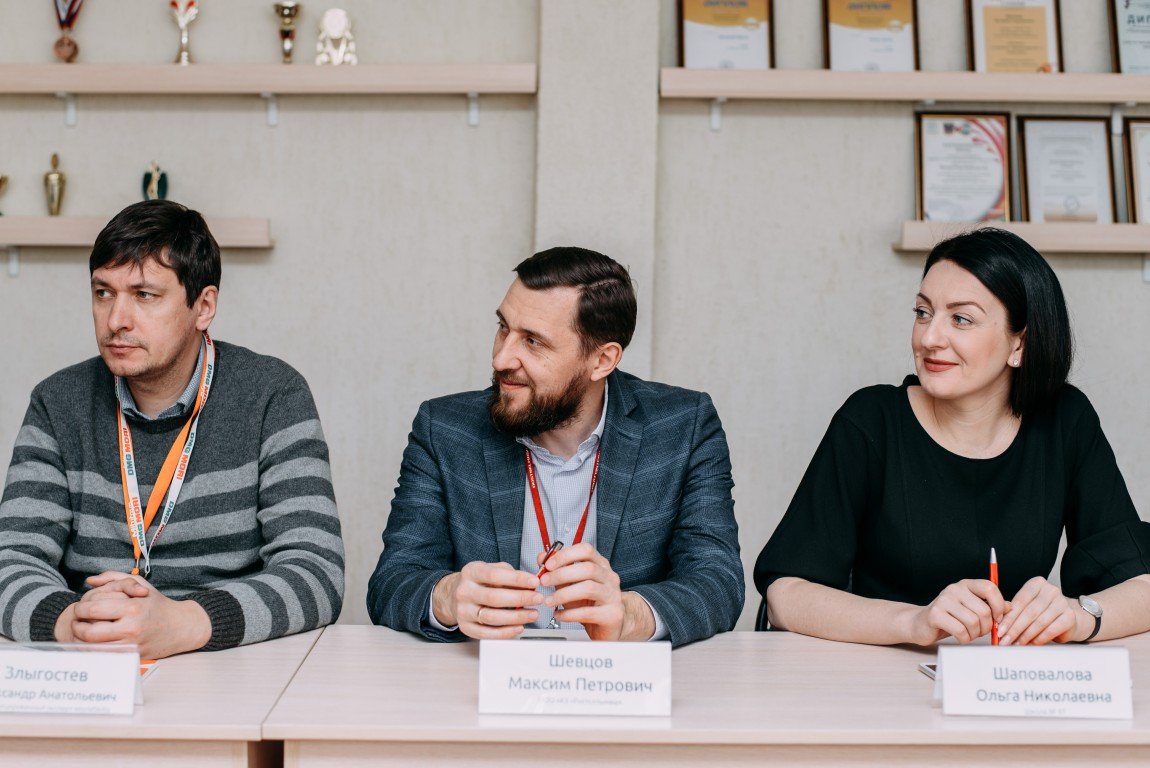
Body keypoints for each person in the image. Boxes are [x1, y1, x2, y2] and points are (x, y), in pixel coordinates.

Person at [756, 228, 1150, 647]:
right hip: (879, 672)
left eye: (961, 319)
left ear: (1020, 344)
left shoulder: (1064, 421)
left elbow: (1141, 585)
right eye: (923, 312)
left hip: (1001, 675)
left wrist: (1078, 617)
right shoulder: (871, 420)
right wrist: (914, 622)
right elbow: (785, 596)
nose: (928, 338)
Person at [0, 200, 344, 658]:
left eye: (144, 295)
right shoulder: (58, 401)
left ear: (203, 307)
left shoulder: (273, 394)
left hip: (230, 661)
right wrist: (73, 623)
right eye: (103, 293)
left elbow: (317, 573)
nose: (116, 320)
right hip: (95, 661)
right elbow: (11, 559)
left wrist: (181, 624)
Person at [368, 246, 742, 646]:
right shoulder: (445, 429)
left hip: (619, 677)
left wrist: (630, 616)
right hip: (480, 676)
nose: (501, 358)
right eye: (503, 328)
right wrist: (447, 596)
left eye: (532, 341)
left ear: (602, 360)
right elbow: (392, 582)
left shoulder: (683, 428)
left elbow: (718, 581)